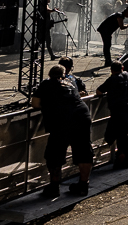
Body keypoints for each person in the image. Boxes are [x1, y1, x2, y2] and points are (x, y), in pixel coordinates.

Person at [33, 64, 93, 197]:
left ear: (49, 75)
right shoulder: (71, 81)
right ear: (64, 74)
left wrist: (48, 103)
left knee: (54, 153)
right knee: (84, 151)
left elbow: (35, 104)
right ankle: (83, 185)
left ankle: (54, 187)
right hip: (82, 116)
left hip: (60, 119)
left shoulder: (46, 83)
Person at [95, 60, 128, 169]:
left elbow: (99, 91)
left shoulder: (112, 79)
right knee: (122, 137)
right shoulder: (127, 76)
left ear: (111, 70)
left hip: (119, 113)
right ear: (122, 68)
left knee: (121, 138)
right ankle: (123, 159)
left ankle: (126, 160)